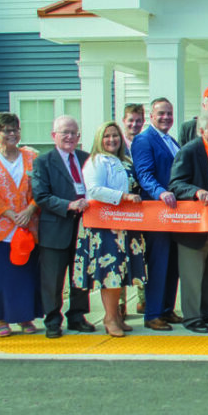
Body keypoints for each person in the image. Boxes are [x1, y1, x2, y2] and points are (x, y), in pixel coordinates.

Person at [73, 122, 147, 337]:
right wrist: (123, 197)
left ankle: (115, 315)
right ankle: (109, 318)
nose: (112, 140)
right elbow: (94, 190)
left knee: (120, 273)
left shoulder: (124, 161)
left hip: (124, 224)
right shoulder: (96, 161)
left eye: (115, 136)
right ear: (99, 139)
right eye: (107, 136)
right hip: (103, 227)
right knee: (110, 274)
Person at [0, 112, 42, 337]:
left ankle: (24, 317)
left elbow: (41, 186)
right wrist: (10, 214)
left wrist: (30, 209)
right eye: (6, 130)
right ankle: (1, 319)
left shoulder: (32, 156)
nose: (12, 134)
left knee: (24, 275)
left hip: (26, 225)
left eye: (15, 130)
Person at [169, 110, 208, 334]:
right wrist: (195, 192)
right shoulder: (189, 152)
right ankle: (192, 317)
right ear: (201, 131)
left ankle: (207, 311)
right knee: (193, 275)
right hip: (194, 226)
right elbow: (175, 184)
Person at [31, 115, 95, 339]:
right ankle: (52, 320)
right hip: (55, 227)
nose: (69, 137)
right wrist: (68, 205)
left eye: (73, 133)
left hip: (83, 227)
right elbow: (41, 196)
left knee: (80, 276)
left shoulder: (86, 158)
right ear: (53, 135)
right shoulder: (43, 162)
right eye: (64, 133)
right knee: (53, 278)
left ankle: (77, 316)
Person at [131, 98, 183, 331]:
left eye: (169, 113)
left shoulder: (171, 140)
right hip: (157, 211)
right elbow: (144, 174)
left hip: (176, 213)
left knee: (173, 262)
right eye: (161, 113)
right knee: (159, 262)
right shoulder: (144, 140)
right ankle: (152, 314)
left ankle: (166, 309)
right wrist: (160, 192)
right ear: (151, 115)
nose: (166, 117)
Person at [121, 102, 146, 313]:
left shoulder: (144, 142)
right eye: (131, 120)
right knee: (119, 255)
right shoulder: (115, 143)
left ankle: (142, 298)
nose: (134, 124)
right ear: (124, 121)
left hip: (142, 208)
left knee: (140, 253)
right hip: (119, 209)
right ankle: (120, 303)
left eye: (138, 120)